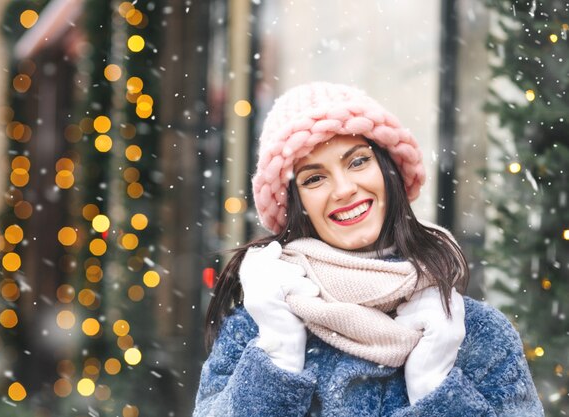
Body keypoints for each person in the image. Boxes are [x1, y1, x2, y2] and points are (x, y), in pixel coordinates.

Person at [193, 82, 543, 416]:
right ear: (295, 204)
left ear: (388, 169)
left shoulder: (477, 332)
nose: (344, 189)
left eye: (358, 161)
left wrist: (435, 389)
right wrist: (279, 356)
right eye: (314, 178)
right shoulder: (254, 329)